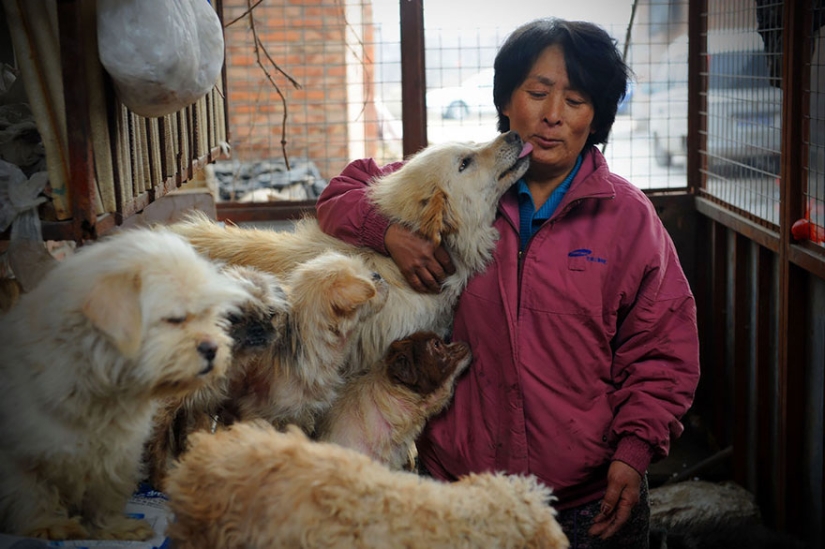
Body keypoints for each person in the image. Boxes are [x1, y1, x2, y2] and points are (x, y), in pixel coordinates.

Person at [316, 17, 700, 549]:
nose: (552, 115)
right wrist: (388, 233)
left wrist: (635, 452)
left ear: (596, 116)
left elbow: (663, 350)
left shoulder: (628, 219)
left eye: (575, 100)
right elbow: (340, 192)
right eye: (537, 93)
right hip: (461, 488)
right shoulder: (464, 187)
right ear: (505, 100)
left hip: (586, 500)